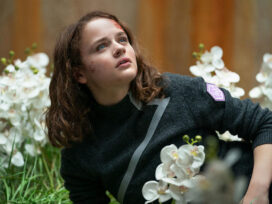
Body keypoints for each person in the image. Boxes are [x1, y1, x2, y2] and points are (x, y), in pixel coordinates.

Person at [45, 11, 272, 204]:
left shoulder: (180, 91)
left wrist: (256, 195)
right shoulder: (79, 155)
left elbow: (265, 124)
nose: (119, 49)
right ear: (79, 73)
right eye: (101, 46)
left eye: (122, 40)